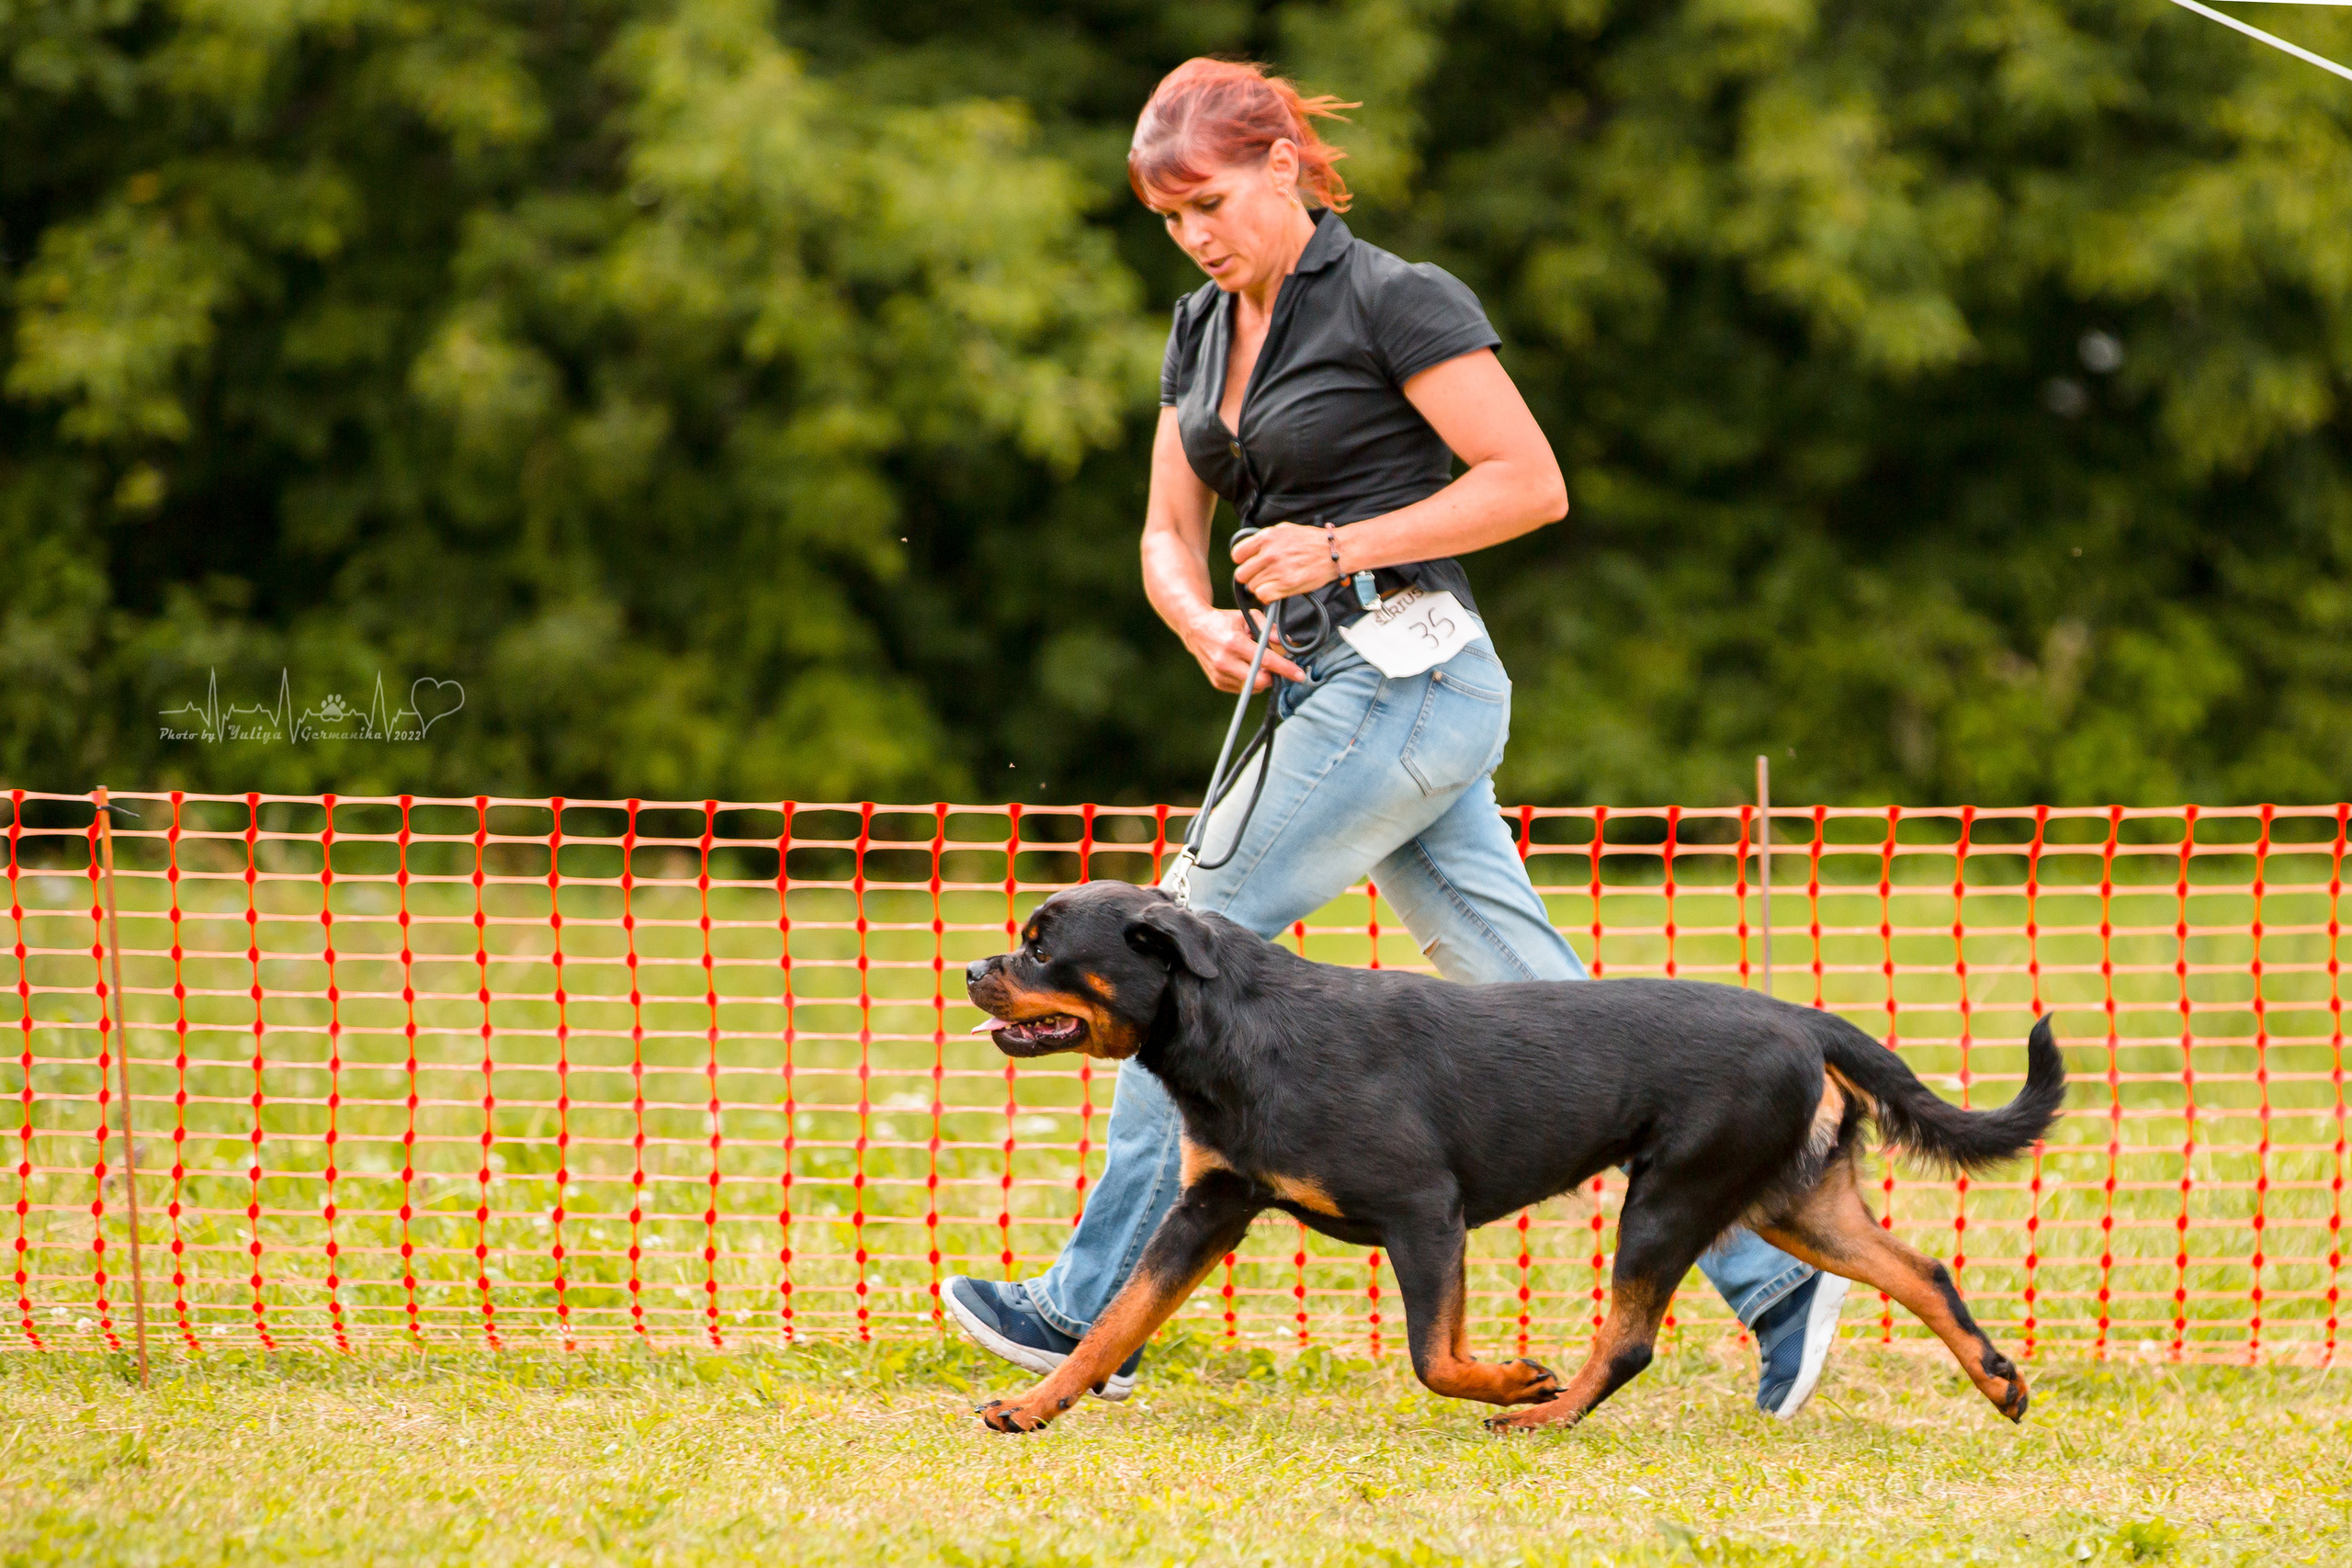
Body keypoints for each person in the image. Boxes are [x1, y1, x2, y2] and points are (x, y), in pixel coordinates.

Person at [944, 57, 1847, 1417]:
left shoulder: (1396, 299)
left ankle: (1086, 1312)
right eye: (1168, 215)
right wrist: (1197, 620)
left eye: (1210, 201)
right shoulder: (1198, 328)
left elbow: (1528, 485)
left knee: (1176, 946)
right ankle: (1780, 1274)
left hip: (1409, 677)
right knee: (1541, 1002)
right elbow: (1162, 532)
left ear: (1285, 169)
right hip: (1310, 685)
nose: (1195, 234)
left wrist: (1339, 545)